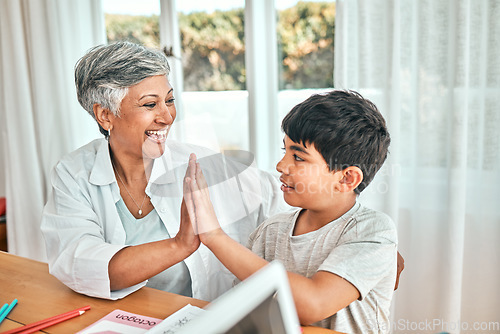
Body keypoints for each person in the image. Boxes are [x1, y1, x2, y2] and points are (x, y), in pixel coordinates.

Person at [40, 41, 288, 301]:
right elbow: (80, 262)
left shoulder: (203, 164)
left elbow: (287, 198)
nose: (167, 116)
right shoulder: (74, 173)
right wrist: (179, 245)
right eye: (150, 105)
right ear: (105, 115)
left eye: (169, 100)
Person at [183, 90, 398, 333]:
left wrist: (214, 237)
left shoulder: (373, 230)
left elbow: (313, 304)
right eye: (284, 151)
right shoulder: (270, 232)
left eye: (298, 157)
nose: (281, 165)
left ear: (347, 178)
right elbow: (245, 310)